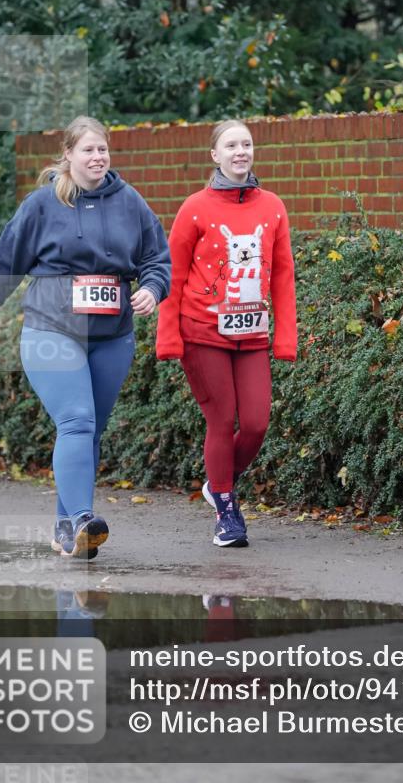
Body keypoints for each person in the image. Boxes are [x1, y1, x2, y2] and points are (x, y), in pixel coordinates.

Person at [0, 116, 171, 560]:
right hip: (51, 329)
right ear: (69, 156)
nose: (97, 157)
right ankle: (82, 519)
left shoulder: (129, 201)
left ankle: (66, 527)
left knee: (89, 431)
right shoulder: (41, 205)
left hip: (113, 335)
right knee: (76, 420)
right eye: (88, 150)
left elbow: (157, 257)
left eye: (103, 150)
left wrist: (152, 289)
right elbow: (6, 265)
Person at [156, 119, 297, 547]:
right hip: (201, 333)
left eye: (247, 144)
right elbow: (173, 274)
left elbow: (284, 275)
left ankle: (220, 482)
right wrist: (169, 338)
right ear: (215, 155)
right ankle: (226, 509)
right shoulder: (194, 207)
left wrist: (285, 337)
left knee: (255, 424)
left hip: (252, 334)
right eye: (231, 145)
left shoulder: (273, 206)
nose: (241, 151)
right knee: (221, 420)